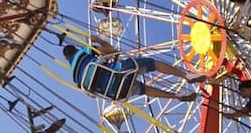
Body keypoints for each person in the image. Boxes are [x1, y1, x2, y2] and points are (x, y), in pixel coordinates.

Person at [63, 34, 207, 102]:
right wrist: (98, 40)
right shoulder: (85, 52)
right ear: (75, 49)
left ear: (66, 59)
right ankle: (186, 76)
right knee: (152, 64)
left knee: (144, 90)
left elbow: (92, 94)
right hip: (120, 72)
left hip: (117, 92)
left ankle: (176, 96)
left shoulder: (75, 78)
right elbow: (112, 50)